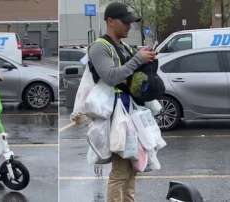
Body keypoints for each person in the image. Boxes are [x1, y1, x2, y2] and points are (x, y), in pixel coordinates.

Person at [87, 2, 156, 202]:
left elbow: (132, 73)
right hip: (116, 115)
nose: (129, 26)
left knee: (133, 167)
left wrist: (145, 58)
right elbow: (110, 77)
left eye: (130, 23)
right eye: (125, 22)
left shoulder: (123, 46)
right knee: (120, 171)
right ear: (110, 21)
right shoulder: (100, 46)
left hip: (130, 112)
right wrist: (138, 60)